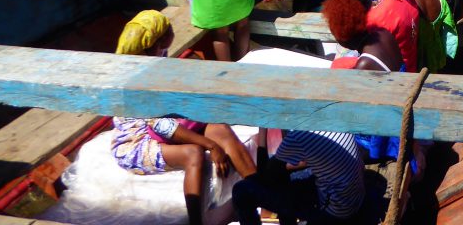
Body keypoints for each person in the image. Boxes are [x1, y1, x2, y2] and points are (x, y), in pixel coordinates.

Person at [111, 11, 256, 225]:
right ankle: (196, 222)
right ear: (155, 41)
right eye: (168, 31)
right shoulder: (136, 78)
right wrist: (210, 146)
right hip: (137, 141)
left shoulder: (156, 56)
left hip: (164, 123)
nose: (173, 33)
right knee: (194, 153)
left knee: (221, 130)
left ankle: (259, 190)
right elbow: (160, 125)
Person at [231, 128, 365, 225]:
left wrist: (263, 129)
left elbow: (265, 176)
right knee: (281, 167)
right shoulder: (329, 119)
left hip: (335, 212)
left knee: (242, 190)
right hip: (354, 196)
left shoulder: (299, 136)